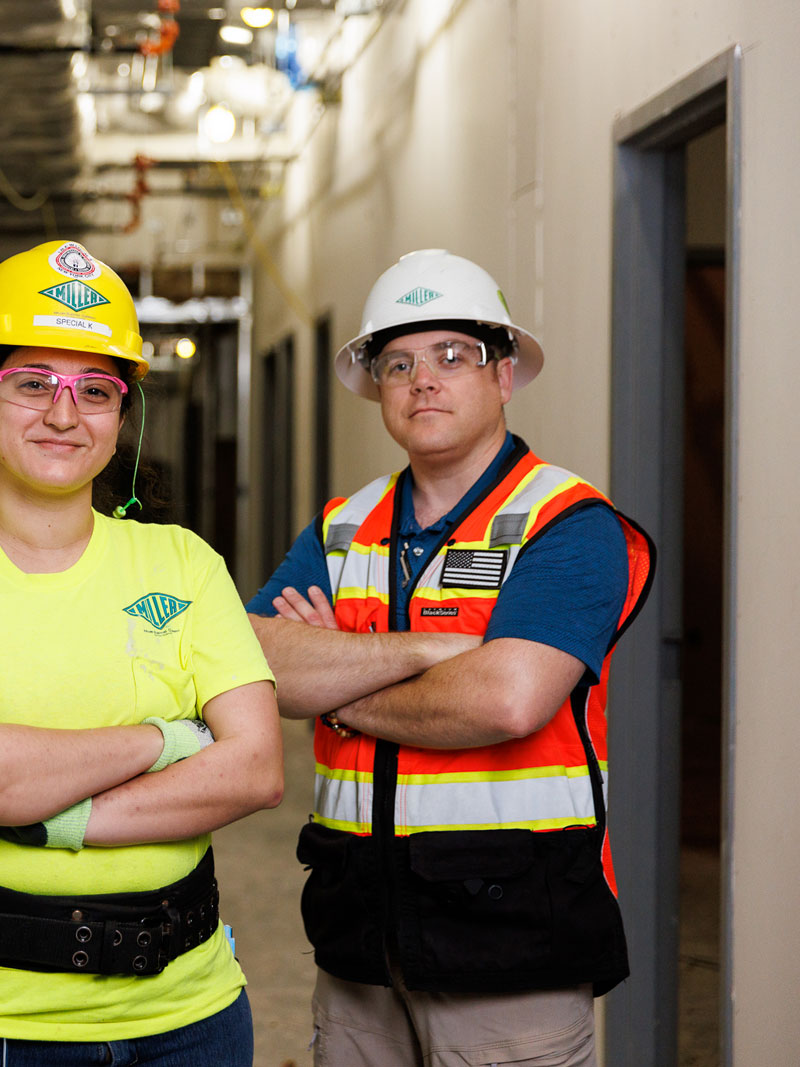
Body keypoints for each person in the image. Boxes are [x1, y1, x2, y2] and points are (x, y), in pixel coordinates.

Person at [0, 240, 285, 1065]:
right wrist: (169, 740)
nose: (63, 414)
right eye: (32, 384)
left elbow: (258, 767)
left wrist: (47, 812)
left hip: (183, 1019)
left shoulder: (185, 563)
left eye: (95, 391)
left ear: (122, 420)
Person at [248, 249, 655, 1066]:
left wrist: (338, 680)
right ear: (379, 389)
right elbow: (250, 661)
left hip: (513, 954)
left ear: (502, 376)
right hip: (360, 946)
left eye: (451, 355)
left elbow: (506, 699)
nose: (422, 379)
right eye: (398, 362)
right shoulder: (341, 526)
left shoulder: (568, 524)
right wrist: (434, 651)